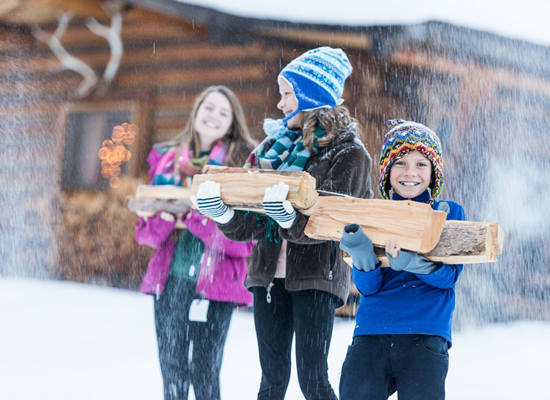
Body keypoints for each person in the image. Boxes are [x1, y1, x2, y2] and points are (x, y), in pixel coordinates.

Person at [192, 47, 373, 400]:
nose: (281, 104)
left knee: (312, 380)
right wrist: (223, 213)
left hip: (316, 276)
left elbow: (335, 221)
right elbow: (249, 225)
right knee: (272, 380)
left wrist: (290, 218)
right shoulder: (270, 150)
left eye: (288, 94)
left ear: (310, 96)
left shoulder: (348, 153)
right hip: (267, 276)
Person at [134, 86, 257, 400]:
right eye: (209, 107)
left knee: (204, 373)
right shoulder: (167, 163)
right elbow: (146, 235)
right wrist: (170, 214)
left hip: (218, 286)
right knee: (172, 371)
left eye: (223, 112)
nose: (213, 116)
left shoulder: (241, 166)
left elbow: (244, 243)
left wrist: (191, 217)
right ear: (196, 111)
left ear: (232, 123)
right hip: (171, 280)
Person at [338, 119, 466, 400]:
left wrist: (412, 263)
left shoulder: (447, 212)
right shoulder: (373, 214)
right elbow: (369, 287)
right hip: (372, 333)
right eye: (401, 163)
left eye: (422, 164)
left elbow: (448, 278)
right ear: (387, 171)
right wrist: (362, 254)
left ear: (434, 173)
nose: (411, 173)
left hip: (425, 334)